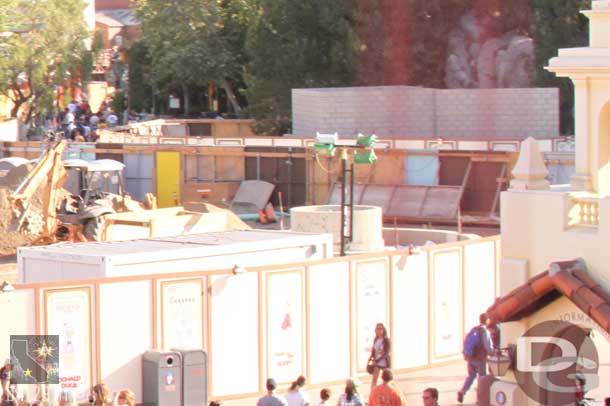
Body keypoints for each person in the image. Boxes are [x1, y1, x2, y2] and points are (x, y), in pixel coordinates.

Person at [457, 313, 493, 403]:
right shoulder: (485, 331)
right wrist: (492, 353)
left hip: (471, 358)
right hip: (480, 359)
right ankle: (480, 399)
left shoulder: (474, 329)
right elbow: (488, 347)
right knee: (482, 379)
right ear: (487, 320)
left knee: (471, 376)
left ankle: (462, 391)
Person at [369, 323, 391, 391]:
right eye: (377, 329)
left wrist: (378, 360)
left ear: (383, 330)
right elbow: (374, 350)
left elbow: (386, 353)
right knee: (374, 379)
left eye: (380, 329)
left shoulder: (386, 340)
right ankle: (372, 394)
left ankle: (389, 392)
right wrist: (371, 358)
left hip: (384, 362)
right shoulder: (376, 339)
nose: (378, 330)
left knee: (386, 380)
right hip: (377, 362)